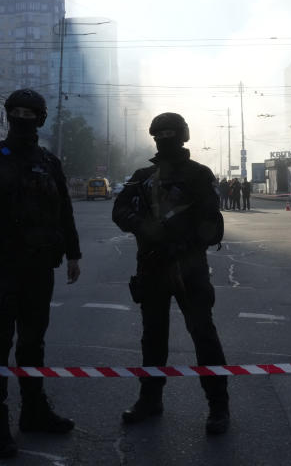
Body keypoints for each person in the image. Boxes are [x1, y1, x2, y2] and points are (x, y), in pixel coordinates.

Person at [0, 88, 82, 458]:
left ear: (41, 118)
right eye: (17, 111)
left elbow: (64, 211)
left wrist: (73, 254)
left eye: (31, 112)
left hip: (41, 267)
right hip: (1, 269)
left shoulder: (50, 161)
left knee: (33, 343)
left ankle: (34, 412)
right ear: (8, 114)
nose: (23, 117)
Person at [112, 112, 230, 435]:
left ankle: (219, 406)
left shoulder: (198, 175)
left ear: (183, 136)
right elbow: (119, 210)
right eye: (159, 133)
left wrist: (181, 241)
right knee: (153, 339)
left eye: (170, 132)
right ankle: (150, 400)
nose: (165, 138)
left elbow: (212, 225)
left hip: (187, 268)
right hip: (152, 267)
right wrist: (144, 227)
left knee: (204, 337)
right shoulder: (142, 177)